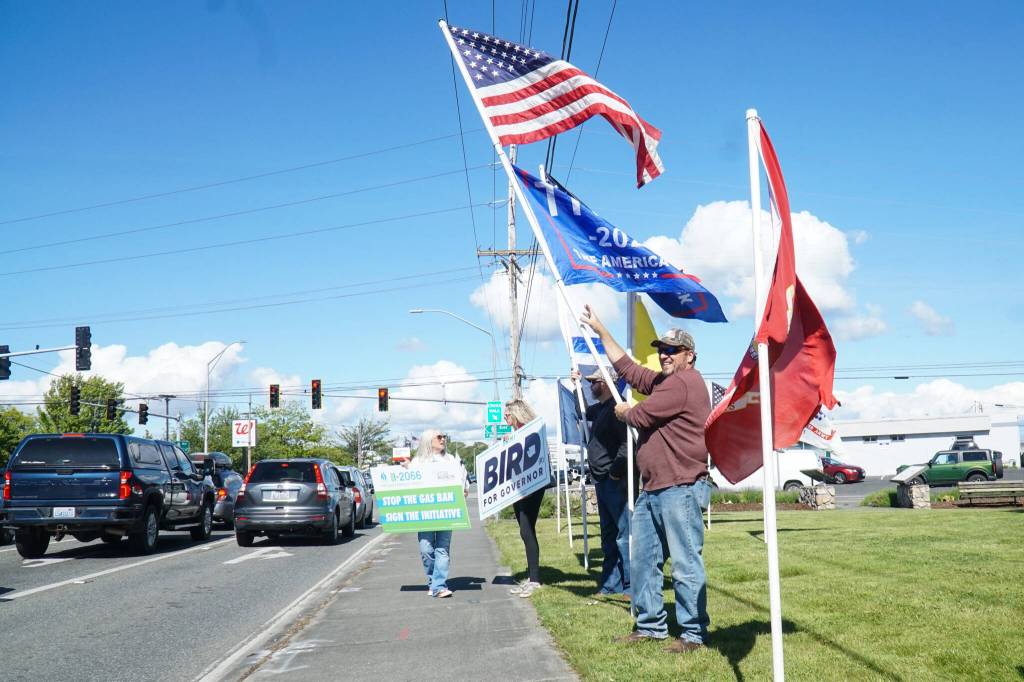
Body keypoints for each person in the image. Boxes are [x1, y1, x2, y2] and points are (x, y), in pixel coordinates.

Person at [581, 304, 712, 654]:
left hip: (680, 488)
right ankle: (651, 626)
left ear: (690, 356)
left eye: (672, 350)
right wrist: (600, 329)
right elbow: (628, 369)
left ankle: (693, 634)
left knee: (685, 564)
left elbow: (637, 414)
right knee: (642, 561)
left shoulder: (684, 383)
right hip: (654, 488)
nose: (664, 355)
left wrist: (623, 410)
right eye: (662, 350)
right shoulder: (666, 382)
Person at [571, 367, 631, 598]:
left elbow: (627, 445)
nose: (590, 385)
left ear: (605, 383)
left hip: (615, 481)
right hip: (602, 481)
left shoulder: (618, 408)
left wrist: (615, 472)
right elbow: (582, 411)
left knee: (624, 535)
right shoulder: (602, 409)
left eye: (593, 382)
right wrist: (576, 387)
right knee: (608, 535)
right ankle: (610, 584)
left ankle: (630, 586)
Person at [410, 429, 467, 599]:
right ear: (429, 441)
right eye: (439, 437)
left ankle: (439, 585)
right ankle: (433, 582)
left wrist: (463, 490)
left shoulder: (451, 460)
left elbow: (461, 479)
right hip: (425, 513)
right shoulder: (418, 461)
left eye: (444, 437)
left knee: (442, 549)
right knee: (426, 549)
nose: (443, 439)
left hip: (446, 511)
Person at [504, 398, 546, 598]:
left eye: (508, 412)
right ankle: (532, 577)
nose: (505, 416)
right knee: (524, 531)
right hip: (517, 489)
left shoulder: (532, 431)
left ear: (517, 413)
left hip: (531, 487)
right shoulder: (515, 434)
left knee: (526, 529)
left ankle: (535, 580)